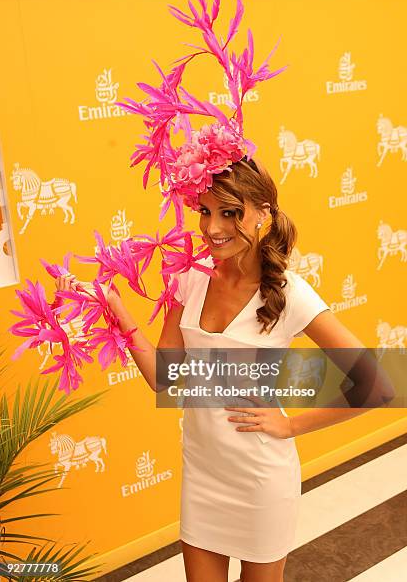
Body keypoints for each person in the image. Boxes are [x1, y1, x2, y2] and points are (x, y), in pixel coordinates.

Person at [56, 157, 393, 582]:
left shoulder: (290, 294)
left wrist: (291, 426)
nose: (213, 228)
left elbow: (376, 384)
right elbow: (166, 379)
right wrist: (115, 307)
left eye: (230, 213)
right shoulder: (188, 279)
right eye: (205, 211)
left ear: (263, 215)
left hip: (260, 479)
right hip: (202, 470)